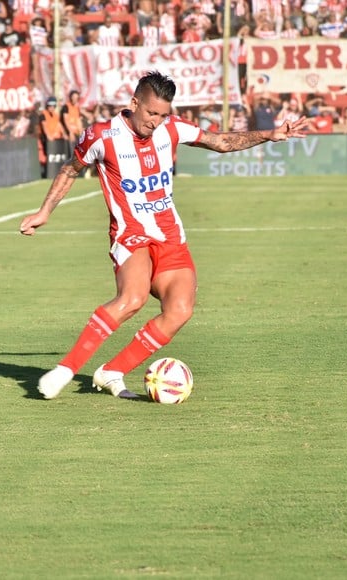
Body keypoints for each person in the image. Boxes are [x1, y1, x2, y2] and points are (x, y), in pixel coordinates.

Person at [19, 71, 309, 400]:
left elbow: (221, 142)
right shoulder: (102, 136)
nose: (156, 121)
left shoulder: (171, 128)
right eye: (151, 113)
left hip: (170, 235)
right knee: (133, 298)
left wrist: (269, 134)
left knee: (180, 310)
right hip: (131, 235)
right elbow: (71, 168)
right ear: (134, 104)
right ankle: (66, 369)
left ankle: (111, 371)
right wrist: (44, 212)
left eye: (162, 114)